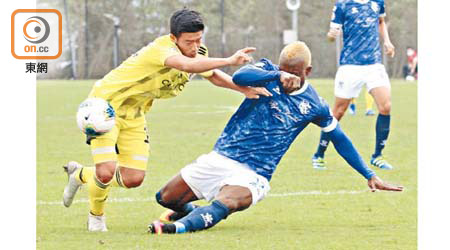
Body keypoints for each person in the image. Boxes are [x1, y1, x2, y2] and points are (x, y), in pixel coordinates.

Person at [147, 41, 403, 235]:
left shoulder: (315, 105)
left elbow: (340, 139)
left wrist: (369, 175)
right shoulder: (267, 71)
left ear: (308, 71)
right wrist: (276, 74)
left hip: (255, 174)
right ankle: (191, 212)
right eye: (285, 70)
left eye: (294, 72)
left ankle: (177, 228)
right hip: (222, 157)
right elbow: (239, 77)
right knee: (166, 197)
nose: (289, 76)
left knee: (227, 201)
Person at [62, 8, 271, 232]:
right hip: (105, 107)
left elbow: (212, 75)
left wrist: (242, 89)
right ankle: (96, 218)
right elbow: (187, 65)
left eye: (199, 39)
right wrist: (229, 59)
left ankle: (81, 174)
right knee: (106, 171)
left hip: (135, 113)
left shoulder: (197, 51)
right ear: (174, 38)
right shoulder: (161, 49)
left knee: (133, 178)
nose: (194, 46)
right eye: (189, 41)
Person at [312, 0, 396, 170]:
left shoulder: (377, 2)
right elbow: (331, 35)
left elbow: (381, 22)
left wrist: (387, 40)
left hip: (374, 64)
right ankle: (319, 154)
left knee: (385, 106)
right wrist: (331, 35)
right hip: (350, 65)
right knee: (338, 112)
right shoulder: (343, 5)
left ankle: (377, 156)